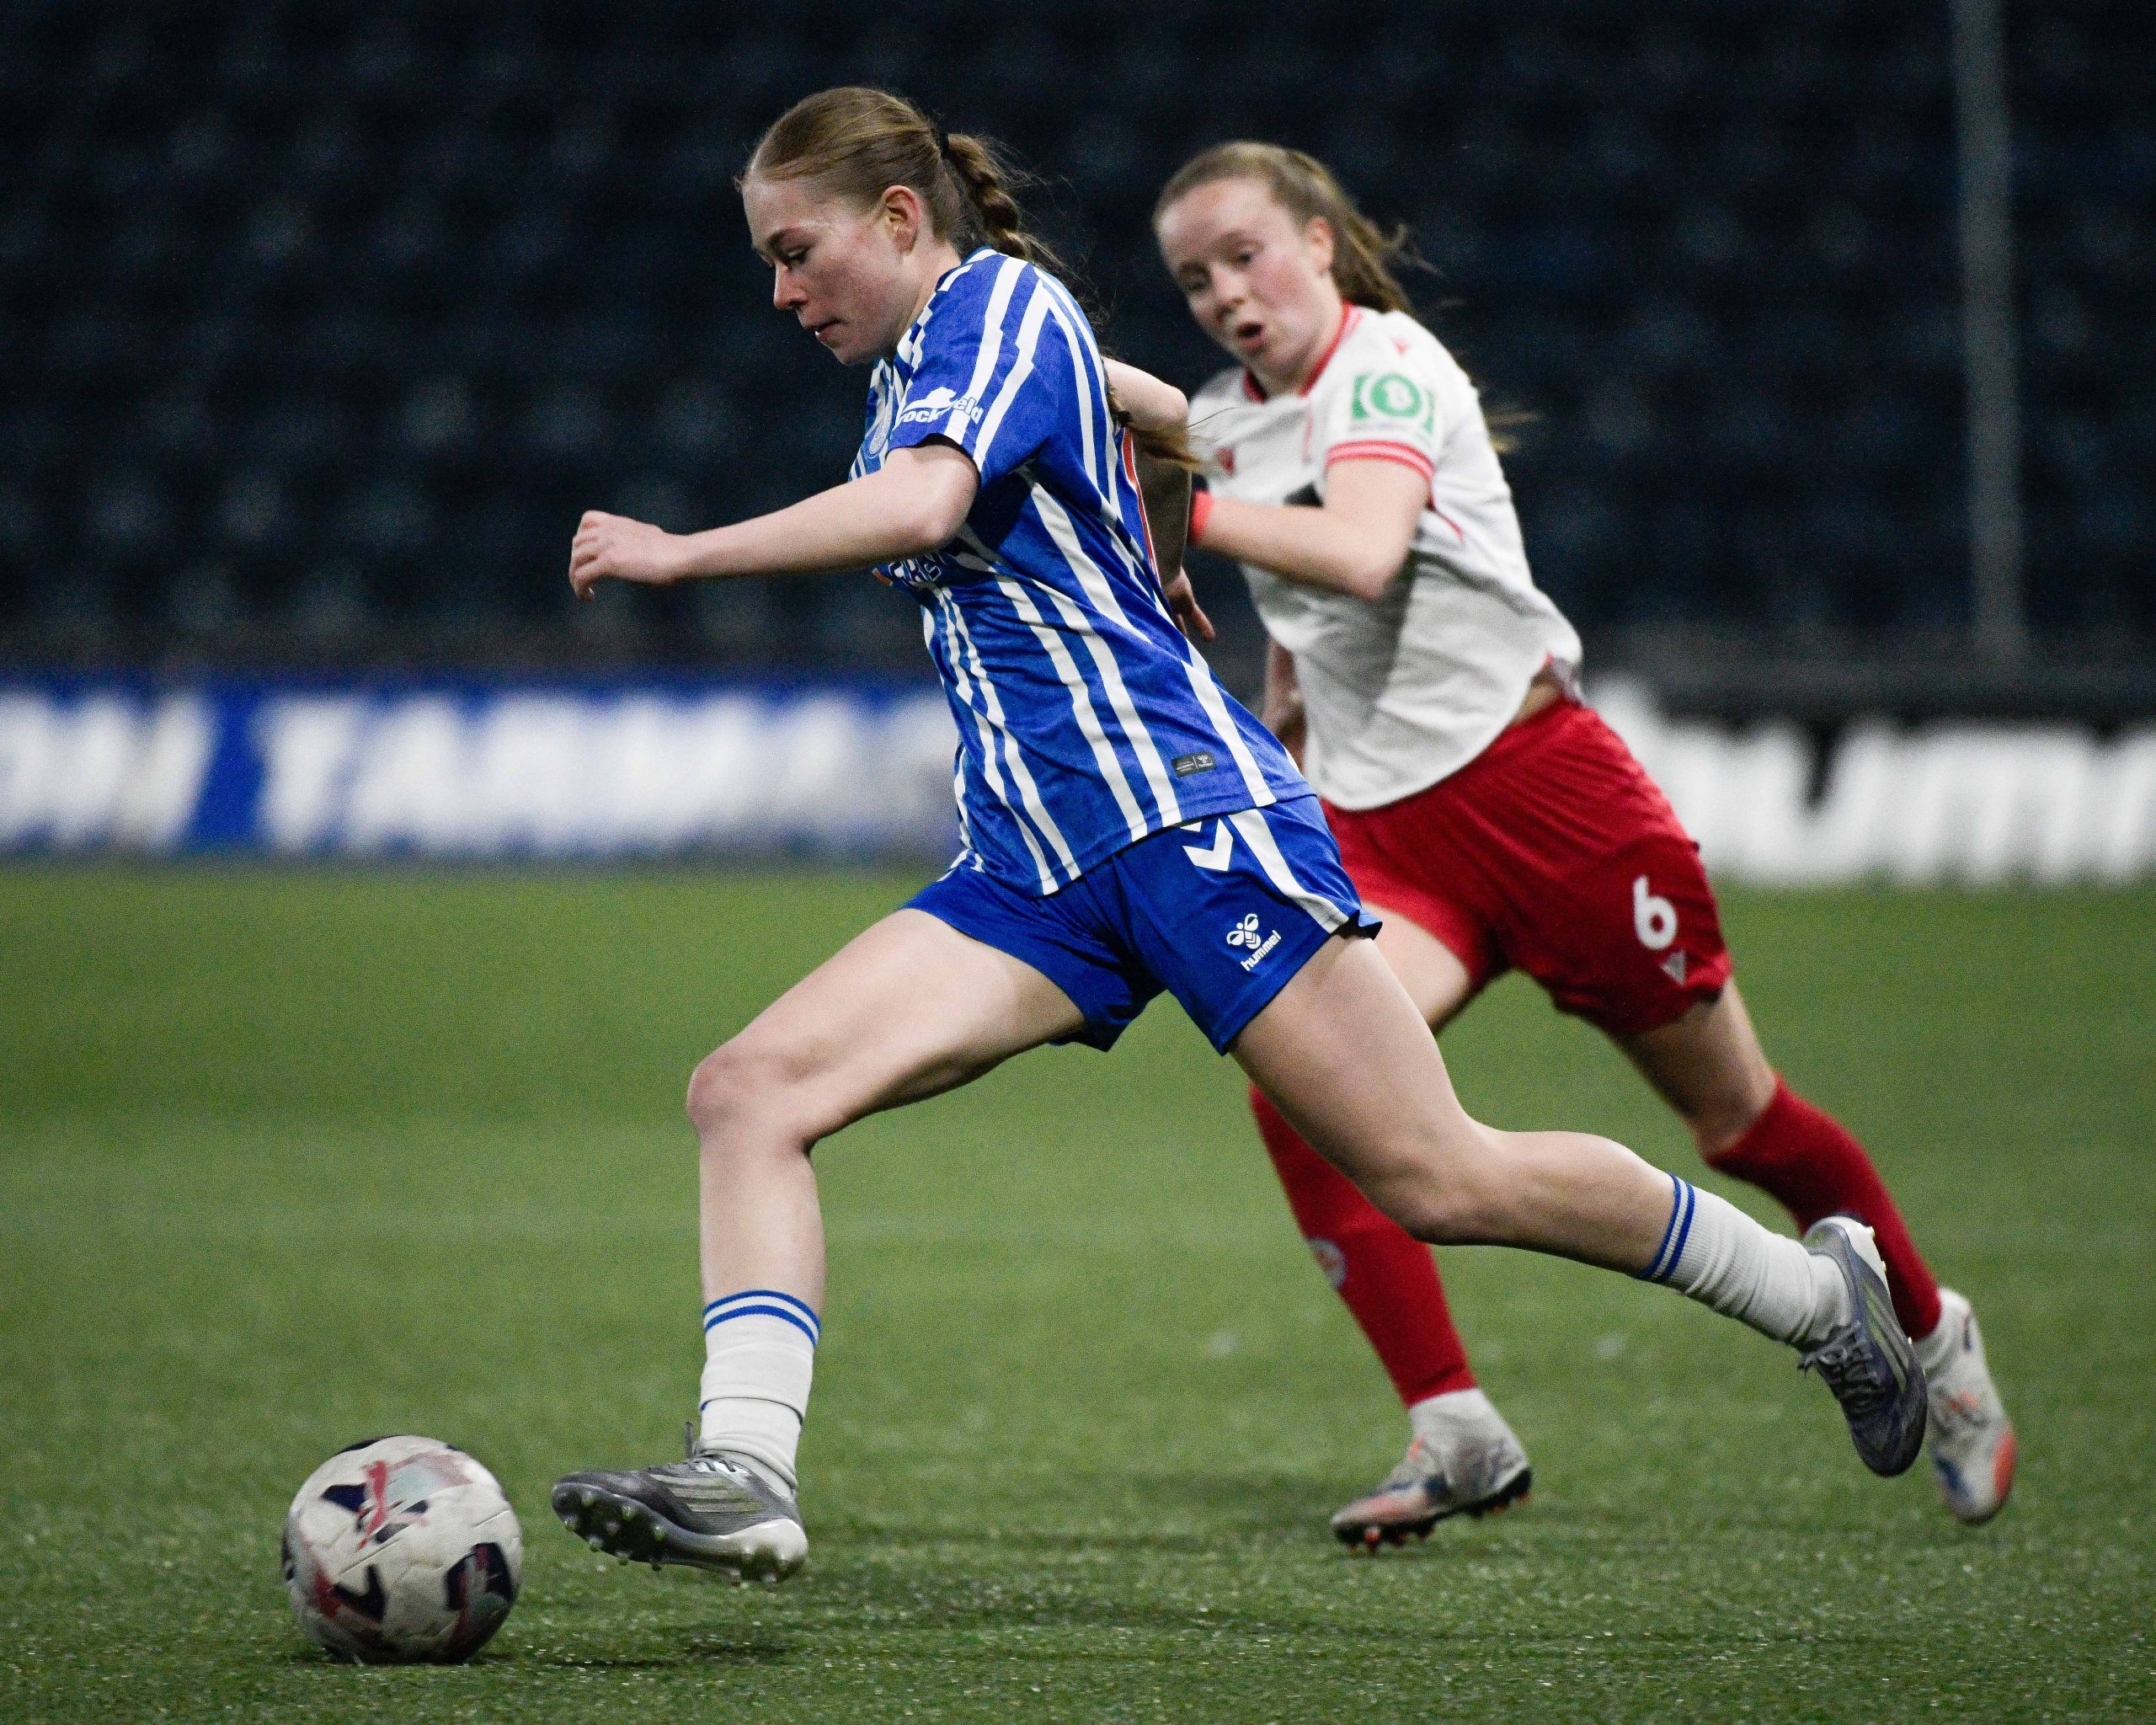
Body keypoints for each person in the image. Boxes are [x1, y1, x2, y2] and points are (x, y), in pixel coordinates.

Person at [547, 88, 1926, 1586]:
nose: (780, 291)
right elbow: (1157, 408)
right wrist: (1151, 535)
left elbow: (930, 503)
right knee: (748, 1090)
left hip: (1187, 823)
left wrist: (685, 551)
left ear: (896, 219)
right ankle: (746, 1471)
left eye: (795, 251)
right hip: (1036, 868)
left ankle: (1817, 1300)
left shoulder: (990, 303)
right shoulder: (922, 369)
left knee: (1439, 1178)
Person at [1146, 141, 2015, 1545]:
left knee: (1741, 1125)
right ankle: (1454, 1426)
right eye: (1195, 281)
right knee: (1307, 1090)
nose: (1227, 296)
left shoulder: (1389, 368)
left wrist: (1172, 506)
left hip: (1547, 803)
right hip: (1391, 837)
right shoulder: (1220, 422)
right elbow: (1306, 621)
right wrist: (1282, 741)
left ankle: (1932, 1335)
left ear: (1317, 240)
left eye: (1246, 256)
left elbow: (1362, 551)